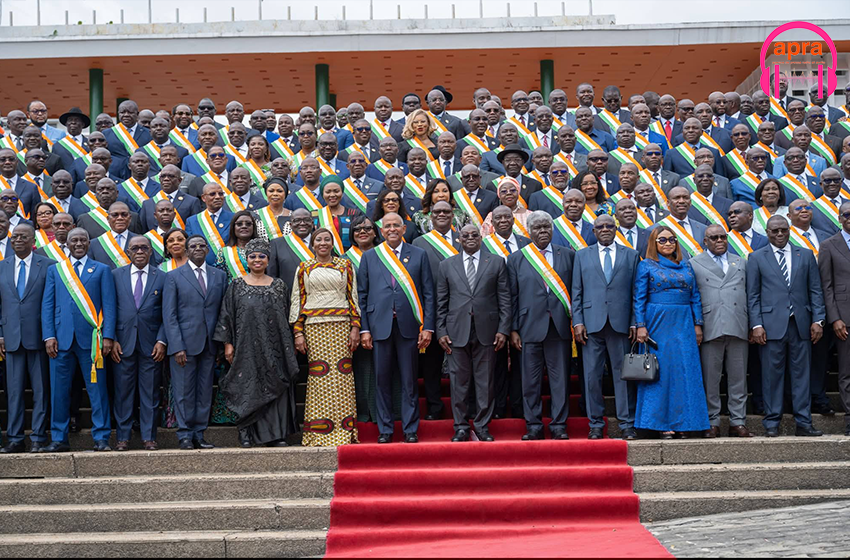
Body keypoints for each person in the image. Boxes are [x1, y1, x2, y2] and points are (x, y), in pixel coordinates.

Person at [358, 212, 435, 443]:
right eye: (387, 226)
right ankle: (386, 429)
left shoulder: (419, 255)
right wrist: (364, 329)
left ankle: (410, 429)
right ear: (381, 231)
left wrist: (427, 327)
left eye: (396, 225)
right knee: (382, 380)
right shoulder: (371, 257)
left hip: (409, 327)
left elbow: (429, 294)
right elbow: (361, 296)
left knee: (409, 380)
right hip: (379, 326)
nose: (392, 229)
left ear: (403, 229)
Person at [215, 238, 300, 448]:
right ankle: (246, 433)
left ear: (268, 259)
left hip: (275, 349)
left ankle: (276, 434)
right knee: (248, 388)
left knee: (276, 386)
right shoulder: (236, 285)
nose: (257, 260)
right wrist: (228, 344)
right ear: (247, 259)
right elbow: (227, 315)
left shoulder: (279, 285)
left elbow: (289, 315)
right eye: (252, 256)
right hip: (246, 348)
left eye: (261, 256)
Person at [747, 215, 826, 437]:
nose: (780, 234)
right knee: (771, 376)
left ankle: (804, 422)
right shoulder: (756, 257)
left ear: (789, 230)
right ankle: (772, 422)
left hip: (801, 324)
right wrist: (756, 325)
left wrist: (818, 320)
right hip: (770, 327)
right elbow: (752, 295)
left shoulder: (806, 254)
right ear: (767, 232)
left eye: (783, 230)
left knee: (802, 375)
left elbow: (816, 291)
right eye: (775, 231)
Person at [42, 227, 117, 452]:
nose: (78, 243)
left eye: (82, 240)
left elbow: (109, 305)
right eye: (74, 240)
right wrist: (49, 335)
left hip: (92, 340)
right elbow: (48, 305)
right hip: (60, 340)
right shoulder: (56, 271)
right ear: (67, 243)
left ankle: (102, 437)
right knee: (59, 391)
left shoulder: (102, 270)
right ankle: (58, 438)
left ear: (88, 243)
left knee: (97, 390)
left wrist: (109, 336)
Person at [436, 224, 510, 442]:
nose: (470, 238)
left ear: (481, 237)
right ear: (459, 239)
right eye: (465, 235)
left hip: (487, 331)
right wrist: (441, 330)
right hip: (455, 332)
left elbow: (505, 299)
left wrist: (503, 329)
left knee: (485, 381)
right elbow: (441, 302)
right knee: (459, 382)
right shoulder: (446, 265)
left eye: (474, 235)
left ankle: (482, 426)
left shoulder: (496, 262)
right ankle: (460, 426)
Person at [634, 226, 709, 439]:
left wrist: (697, 324)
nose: (668, 243)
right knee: (661, 373)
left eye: (672, 240)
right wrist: (640, 325)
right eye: (662, 240)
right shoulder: (646, 265)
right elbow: (639, 298)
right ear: (654, 243)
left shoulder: (686, 266)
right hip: (658, 322)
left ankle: (687, 422)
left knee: (685, 370)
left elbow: (695, 296)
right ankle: (660, 424)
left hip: (684, 322)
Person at [289, 229, 361, 446]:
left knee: (343, 377)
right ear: (312, 244)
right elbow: (298, 298)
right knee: (319, 377)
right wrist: (298, 332)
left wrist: (355, 328)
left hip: (341, 326)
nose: (323, 243)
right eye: (318, 240)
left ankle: (345, 432)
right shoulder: (304, 267)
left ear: (333, 243)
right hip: (314, 328)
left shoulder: (345, 266)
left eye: (327, 239)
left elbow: (353, 296)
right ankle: (319, 433)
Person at [507, 211, 574, 440]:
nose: (543, 231)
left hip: (559, 326)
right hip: (528, 327)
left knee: (560, 381)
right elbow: (512, 296)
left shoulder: (567, 255)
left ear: (553, 230)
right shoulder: (517, 258)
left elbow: (575, 292)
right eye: (538, 228)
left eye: (546, 227)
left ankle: (559, 425)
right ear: (529, 231)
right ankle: (533, 425)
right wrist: (513, 329)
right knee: (530, 381)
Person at [572, 214, 640, 440]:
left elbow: (635, 294)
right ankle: (595, 424)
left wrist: (634, 321)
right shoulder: (581, 255)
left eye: (609, 226)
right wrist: (578, 321)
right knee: (591, 376)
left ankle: (627, 423)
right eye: (600, 227)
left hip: (621, 324)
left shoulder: (631, 255)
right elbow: (577, 292)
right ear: (593, 231)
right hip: (591, 324)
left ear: (616, 228)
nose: (605, 229)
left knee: (623, 376)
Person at [162, 234, 227, 450]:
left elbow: (221, 312)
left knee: (204, 391)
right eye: (193, 246)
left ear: (207, 250)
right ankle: (184, 435)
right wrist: (176, 346)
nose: (198, 248)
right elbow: (169, 315)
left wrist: (219, 342)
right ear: (187, 251)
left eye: (202, 245)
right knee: (183, 392)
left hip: (209, 344)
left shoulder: (219, 276)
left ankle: (199, 433)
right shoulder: (174, 276)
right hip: (184, 345)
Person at [690, 225, 753, 438]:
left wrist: (753, 325)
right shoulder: (694, 263)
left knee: (738, 378)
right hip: (711, 325)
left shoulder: (740, 261)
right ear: (705, 241)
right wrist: (697, 324)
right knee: (711, 378)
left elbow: (750, 295)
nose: (719, 241)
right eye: (714, 237)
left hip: (738, 324)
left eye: (722, 237)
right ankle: (711, 421)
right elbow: (693, 297)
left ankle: (738, 421)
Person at [110, 236, 167, 451]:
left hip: (152, 345)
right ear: (128, 252)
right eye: (135, 248)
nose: (140, 251)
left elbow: (166, 313)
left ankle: (149, 437)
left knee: (150, 393)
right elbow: (108, 308)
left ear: (151, 251)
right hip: (122, 344)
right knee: (123, 393)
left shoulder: (162, 277)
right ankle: (123, 437)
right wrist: (112, 338)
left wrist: (162, 340)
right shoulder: (115, 276)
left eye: (144, 247)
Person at [0, 225, 53, 453]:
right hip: (11, 337)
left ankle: (39, 437)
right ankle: (15, 438)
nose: (18, 240)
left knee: (41, 391)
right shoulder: (2, 266)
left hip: (39, 337)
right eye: (15, 237)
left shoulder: (48, 265)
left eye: (23, 236)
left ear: (33, 240)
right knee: (14, 391)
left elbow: (51, 302)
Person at [818, 202, 850, 436]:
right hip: (844, 319)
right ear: (840, 218)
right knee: (846, 371)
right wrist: (835, 318)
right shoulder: (829, 245)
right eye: (846, 214)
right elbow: (826, 286)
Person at [185, 182, 233, 265]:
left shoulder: (233, 218)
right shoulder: (192, 221)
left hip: (231, 266)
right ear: (203, 198)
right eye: (212, 194)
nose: (218, 197)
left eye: (221, 194)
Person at [317, 175, 362, 253]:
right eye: (328, 192)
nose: (332, 195)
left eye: (336, 191)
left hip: (349, 260)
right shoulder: (315, 215)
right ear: (322, 194)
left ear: (342, 192)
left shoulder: (354, 214)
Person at [215, 210, 257, 283]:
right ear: (233, 228)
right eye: (239, 224)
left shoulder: (263, 250)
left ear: (253, 227)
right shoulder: (224, 253)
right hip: (233, 292)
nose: (244, 226)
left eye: (248, 224)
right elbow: (219, 280)